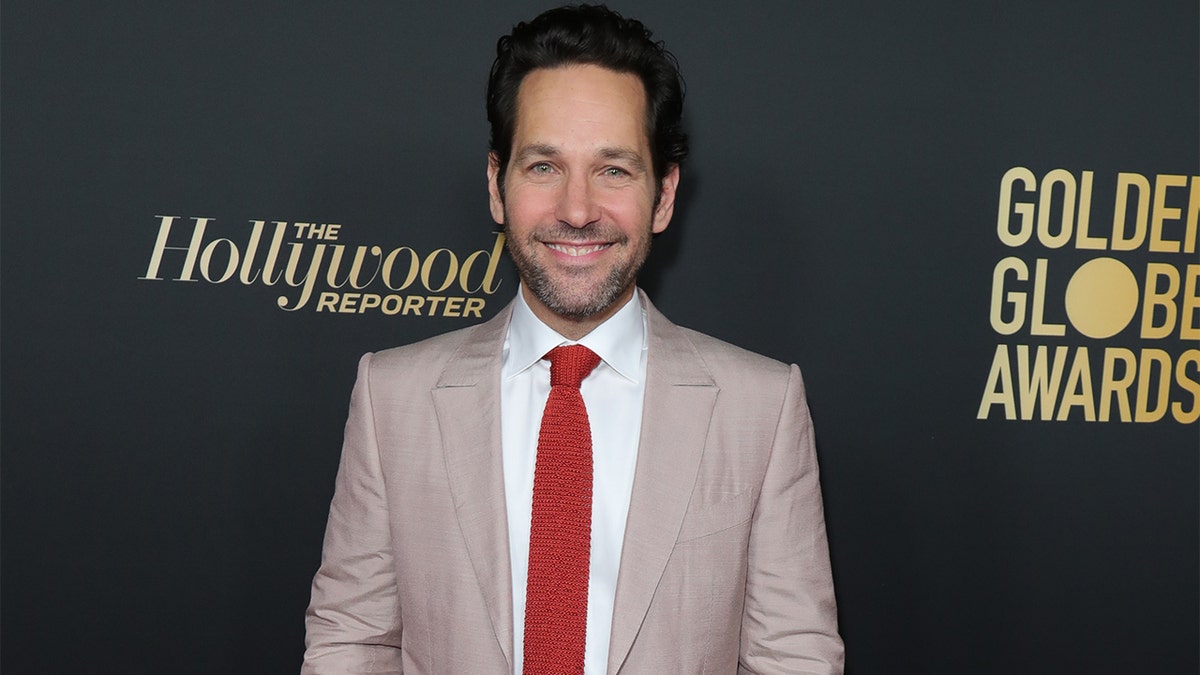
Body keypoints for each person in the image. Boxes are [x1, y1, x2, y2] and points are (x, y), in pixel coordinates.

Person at [303, 5, 844, 673]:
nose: (578, 208)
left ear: (665, 195)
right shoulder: (394, 398)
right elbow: (351, 642)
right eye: (543, 167)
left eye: (613, 169)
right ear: (498, 187)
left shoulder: (760, 408)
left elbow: (793, 656)